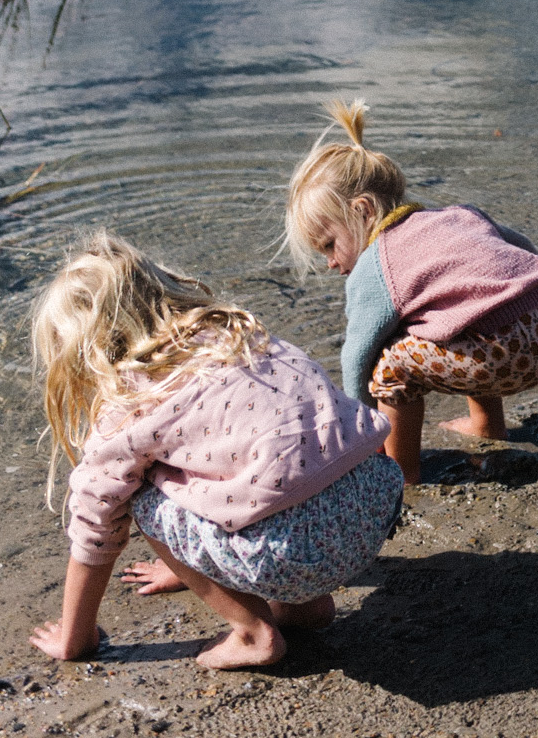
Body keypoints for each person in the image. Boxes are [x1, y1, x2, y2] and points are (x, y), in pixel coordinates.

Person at [29, 231, 402, 670]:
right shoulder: (238, 333)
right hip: (374, 505)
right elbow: (279, 458)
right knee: (282, 458)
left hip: (297, 554)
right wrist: (189, 563)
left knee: (143, 496)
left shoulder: (128, 409)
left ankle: (252, 632)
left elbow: (96, 526)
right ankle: (306, 608)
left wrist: (76, 638)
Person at [285, 101, 538, 487]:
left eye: (330, 244)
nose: (331, 262)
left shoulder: (375, 264)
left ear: (363, 210)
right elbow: (521, 250)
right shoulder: (454, 215)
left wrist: (362, 431)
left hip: (507, 353)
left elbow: (356, 357)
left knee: (389, 365)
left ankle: (402, 475)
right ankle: (486, 425)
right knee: (461, 311)